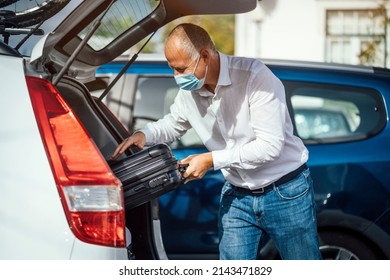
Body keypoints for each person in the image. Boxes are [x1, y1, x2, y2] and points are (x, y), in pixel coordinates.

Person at [111, 23, 322, 260]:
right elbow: (174, 123)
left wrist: (211, 160)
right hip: (237, 195)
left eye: (181, 69)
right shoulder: (189, 93)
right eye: (172, 69)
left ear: (204, 56)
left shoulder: (254, 76)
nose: (176, 77)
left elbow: (269, 146)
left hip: (285, 191)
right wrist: (144, 135)